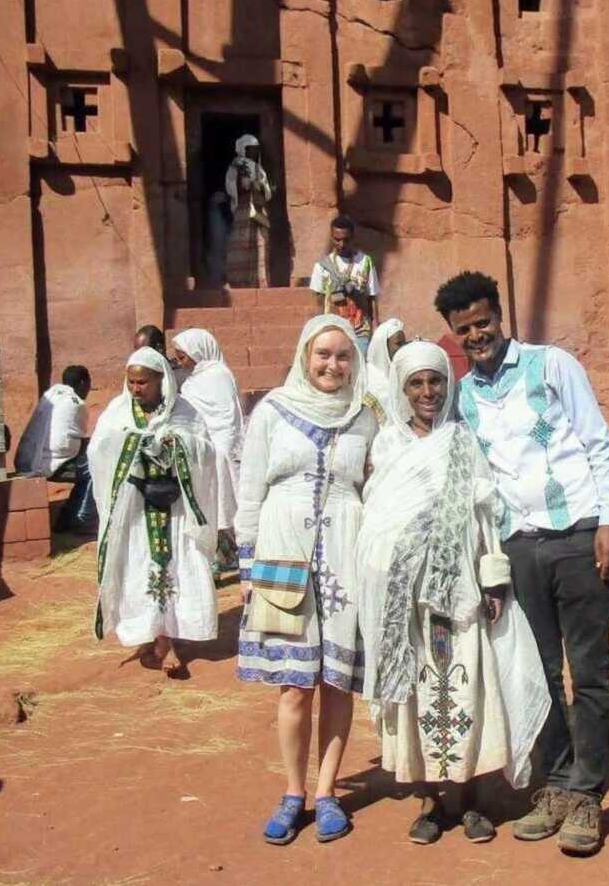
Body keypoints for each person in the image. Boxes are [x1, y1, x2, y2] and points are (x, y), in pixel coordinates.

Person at [434, 271, 609, 857]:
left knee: (587, 669)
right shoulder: (462, 398)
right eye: (464, 329)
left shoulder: (551, 366)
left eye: (483, 322)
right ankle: (558, 783)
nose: (476, 335)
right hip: (518, 549)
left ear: (501, 316)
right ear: (454, 334)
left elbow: (598, 442)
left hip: (578, 535)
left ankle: (589, 794)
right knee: (538, 671)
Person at [357, 342, 550, 845]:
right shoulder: (388, 446)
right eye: (416, 383)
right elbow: (376, 521)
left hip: (460, 589)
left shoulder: (463, 442)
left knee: (470, 687)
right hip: (406, 599)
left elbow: (485, 518)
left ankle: (472, 801)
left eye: (435, 381)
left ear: (448, 384)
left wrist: (494, 580)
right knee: (418, 695)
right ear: (402, 390)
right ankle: (429, 802)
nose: (427, 392)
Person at [235, 316, 377, 845]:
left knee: (336, 682)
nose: (332, 365)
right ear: (304, 356)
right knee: (295, 686)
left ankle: (327, 791)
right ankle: (293, 792)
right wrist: (247, 568)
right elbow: (249, 492)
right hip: (282, 551)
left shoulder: (365, 419)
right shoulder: (273, 411)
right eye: (323, 354)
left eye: (343, 356)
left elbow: (374, 484)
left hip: (345, 551)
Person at [89, 347, 218, 678]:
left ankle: (167, 639)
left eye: (143, 382)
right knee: (138, 568)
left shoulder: (185, 411)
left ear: (162, 380)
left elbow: (205, 450)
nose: (136, 388)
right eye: (131, 382)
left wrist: (177, 444)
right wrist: (131, 443)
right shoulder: (118, 411)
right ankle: (148, 635)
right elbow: (98, 451)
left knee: (174, 568)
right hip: (134, 508)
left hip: (174, 508)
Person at [171, 328, 244, 576]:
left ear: (198, 351)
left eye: (183, 356)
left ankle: (232, 554)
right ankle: (216, 556)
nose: (180, 362)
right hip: (202, 448)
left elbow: (228, 417)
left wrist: (218, 446)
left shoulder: (220, 374)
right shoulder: (189, 382)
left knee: (227, 502)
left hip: (223, 447)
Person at [15, 365, 97, 533]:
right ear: (83, 383)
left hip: (28, 459)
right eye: (88, 384)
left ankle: (66, 518)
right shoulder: (75, 403)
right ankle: (81, 519)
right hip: (46, 463)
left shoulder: (51, 396)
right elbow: (65, 445)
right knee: (96, 466)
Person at [309, 215, 380, 355]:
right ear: (331, 237)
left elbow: (372, 297)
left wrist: (376, 325)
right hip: (333, 330)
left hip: (360, 330)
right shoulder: (322, 266)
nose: (341, 244)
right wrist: (317, 330)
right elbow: (318, 302)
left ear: (353, 237)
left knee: (360, 370)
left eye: (346, 240)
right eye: (337, 239)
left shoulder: (365, 262)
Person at [225, 133, 274, 289]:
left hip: (259, 211)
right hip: (244, 210)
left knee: (261, 245)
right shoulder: (237, 165)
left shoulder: (259, 168)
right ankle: (240, 283)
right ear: (243, 149)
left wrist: (264, 188)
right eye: (251, 149)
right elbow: (234, 186)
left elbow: (266, 191)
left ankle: (260, 282)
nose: (254, 152)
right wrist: (249, 185)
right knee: (243, 245)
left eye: (256, 149)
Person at [363, 317, 406, 423]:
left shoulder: (400, 373)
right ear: (384, 346)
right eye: (398, 343)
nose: (403, 348)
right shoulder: (366, 378)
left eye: (404, 343)